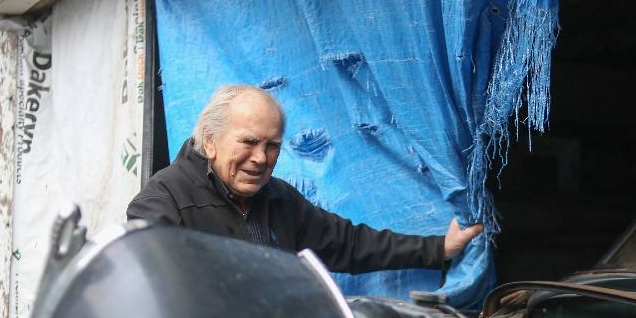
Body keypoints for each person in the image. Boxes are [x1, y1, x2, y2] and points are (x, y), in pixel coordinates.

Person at [127, 85, 483, 274]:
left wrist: (438, 248)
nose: (261, 158)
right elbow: (148, 281)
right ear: (210, 141)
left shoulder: (279, 199)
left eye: (272, 146)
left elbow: (350, 244)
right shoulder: (164, 198)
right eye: (249, 142)